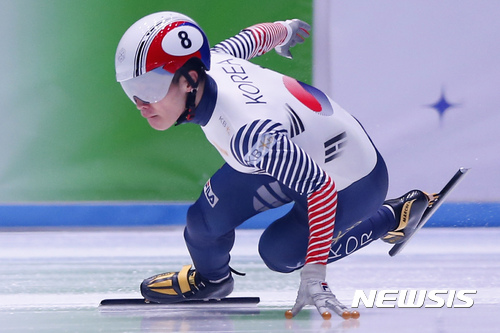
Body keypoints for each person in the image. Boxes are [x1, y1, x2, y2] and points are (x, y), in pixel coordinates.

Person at [114, 11, 432, 319]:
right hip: (294, 150)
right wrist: (285, 29)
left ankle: (392, 217)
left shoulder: (248, 135)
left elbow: (320, 188)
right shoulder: (217, 59)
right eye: (132, 90)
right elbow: (252, 38)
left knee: (280, 255)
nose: (141, 104)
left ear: (190, 80)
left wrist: (315, 276)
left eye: (150, 89)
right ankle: (213, 281)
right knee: (202, 224)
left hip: (352, 178)